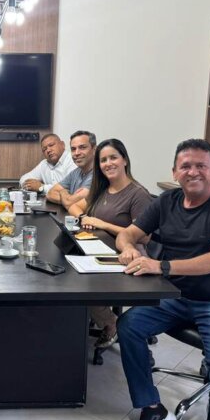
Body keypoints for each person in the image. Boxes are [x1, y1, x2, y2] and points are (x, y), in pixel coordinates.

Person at [115, 139, 210, 420]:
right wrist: (128, 248)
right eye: (185, 166)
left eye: (201, 165)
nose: (193, 172)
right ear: (174, 172)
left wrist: (161, 266)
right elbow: (128, 233)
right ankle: (152, 408)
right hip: (176, 295)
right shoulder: (167, 201)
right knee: (129, 326)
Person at [67, 138, 152, 348]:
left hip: (127, 257)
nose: (108, 163)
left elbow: (144, 237)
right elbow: (73, 207)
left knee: (79, 284)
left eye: (113, 157)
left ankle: (111, 324)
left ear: (125, 160)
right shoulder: (103, 188)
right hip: (100, 251)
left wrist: (102, 224)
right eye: (103, 160)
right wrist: (83, 218)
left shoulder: (138, 194)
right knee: (66, 271)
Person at [46, 130, 97, 210]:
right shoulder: (76, 172)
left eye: (82, 147)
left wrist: (63, 192)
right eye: (73, 149)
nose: (77, 153)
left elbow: (69, 203)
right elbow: (50, 194)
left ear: (94, 149)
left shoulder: (98, 174)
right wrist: (69, 198)